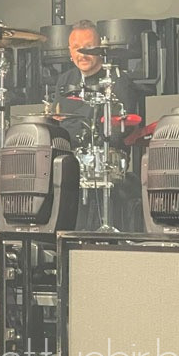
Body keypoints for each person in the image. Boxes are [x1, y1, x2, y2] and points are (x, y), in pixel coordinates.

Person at [54, 20, 144, 231]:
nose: (82, 54)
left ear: (100, 48)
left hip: (105, 164)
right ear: (69, 51)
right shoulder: (64, 81)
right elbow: (59, 125)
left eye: (89, 47)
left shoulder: (117, 81)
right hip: (69, 162)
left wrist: (77, 130)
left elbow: (118, 132)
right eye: (77, 48)